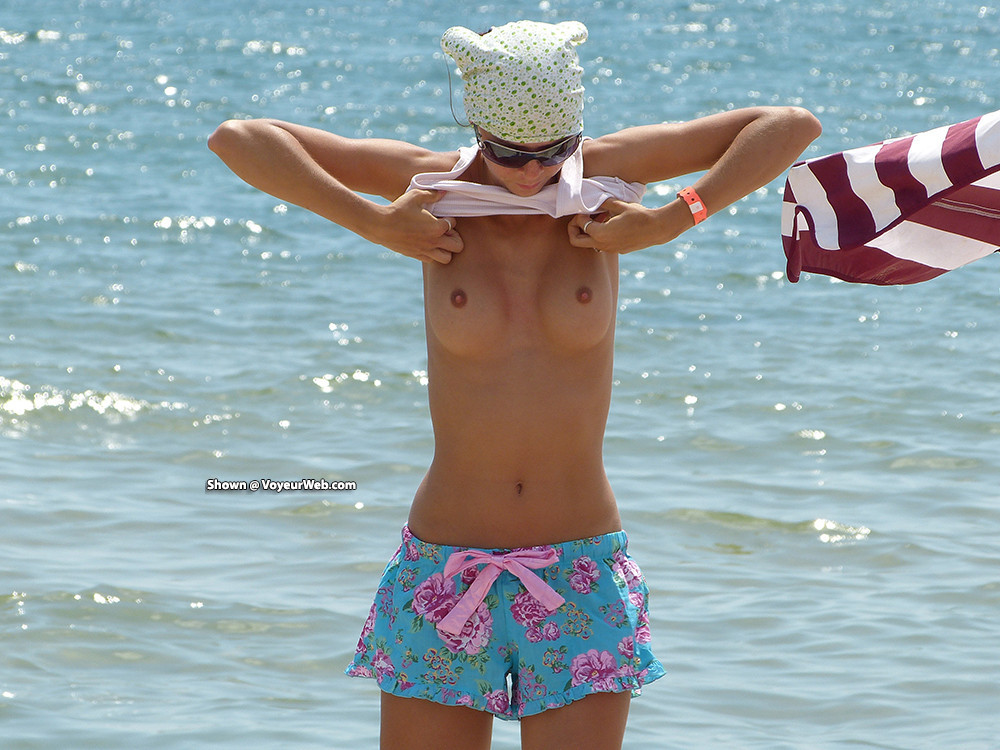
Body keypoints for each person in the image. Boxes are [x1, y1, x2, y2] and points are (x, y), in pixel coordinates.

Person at [208, 19, 821, 750]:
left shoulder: (605, 179)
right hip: (445, 565)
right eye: (509, 153)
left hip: (578, 569)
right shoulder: (431, 190)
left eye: (552, 151)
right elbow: (237, 138)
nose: (532, 173)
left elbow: (790, 126)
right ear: (477, 128)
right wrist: (374, 223)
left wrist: (671, 219)